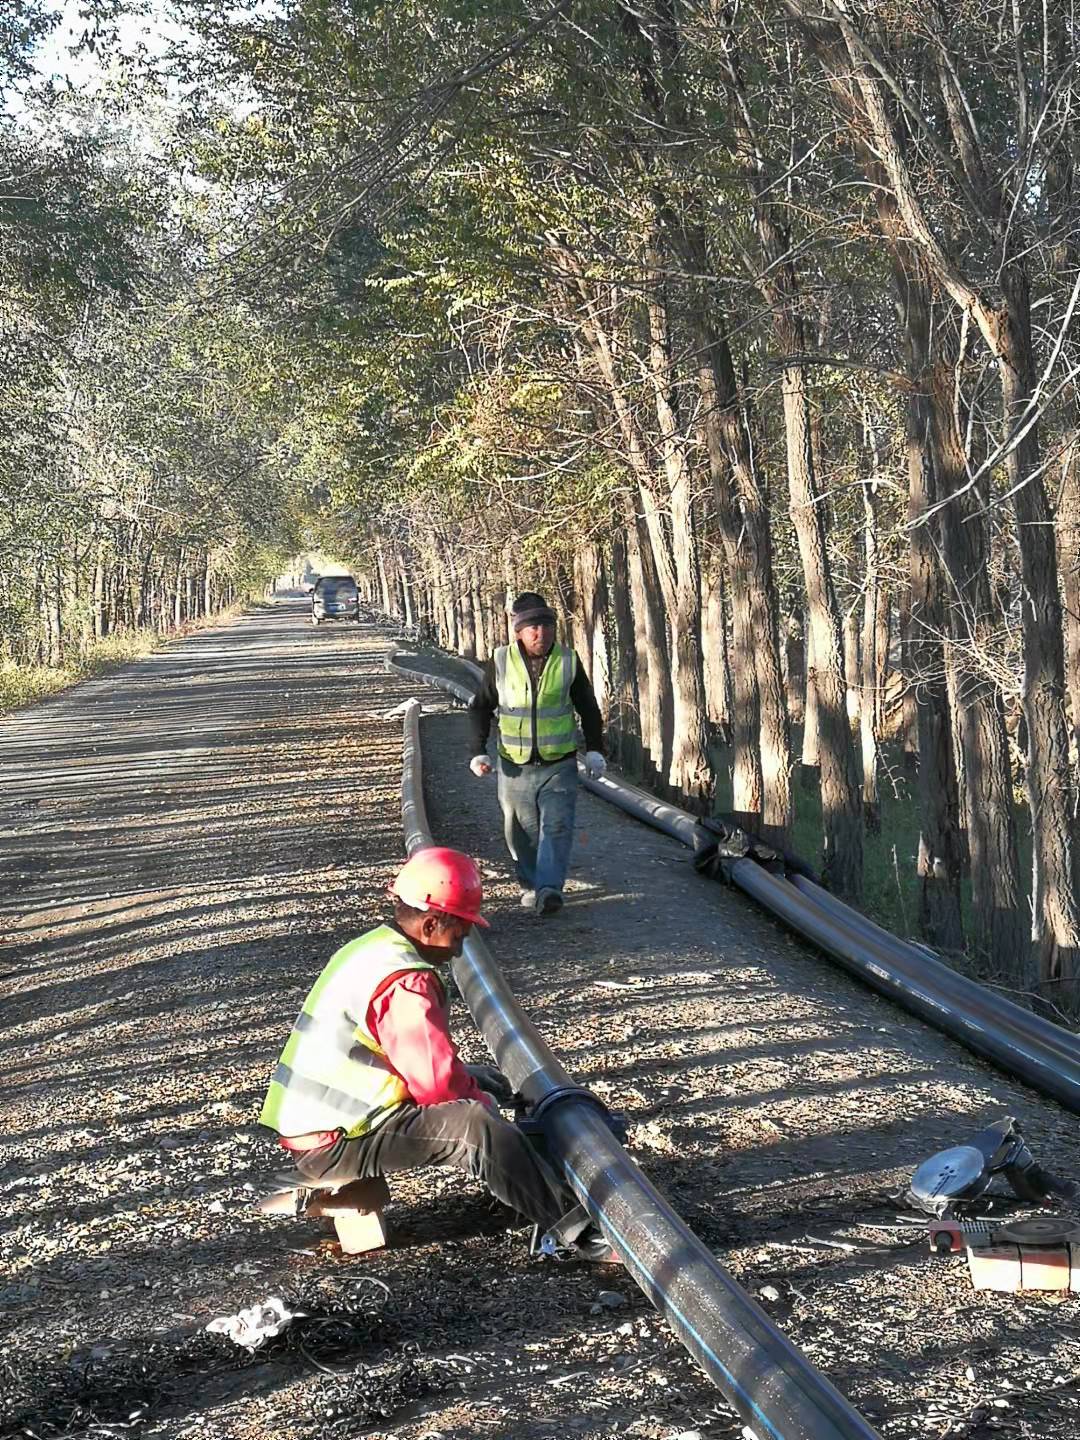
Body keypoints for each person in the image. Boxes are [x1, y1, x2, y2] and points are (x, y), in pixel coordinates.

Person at [258, 846, 611, 1258]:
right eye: (458, 935)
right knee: (470, 1127)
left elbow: (413, 1062)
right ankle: (580, 1232)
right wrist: (487, 1111)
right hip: (335, 1143)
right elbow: (436, 1086)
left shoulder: (374, 948)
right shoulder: (408, 981)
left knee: (481, 1082)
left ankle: (525, 1179)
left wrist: (479, 1084)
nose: (459, 950)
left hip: (325, 1125)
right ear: (430, 924)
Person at [468, 592, 605, 916]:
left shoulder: (568, 661)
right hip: (515, 767)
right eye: (533, 628)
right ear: (518, 631)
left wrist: (596, 750)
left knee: (557, 826)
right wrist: (477, 752)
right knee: (521, 832)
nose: (540, 634)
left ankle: (549, 889)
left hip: (559, 764)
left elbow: (588, 708)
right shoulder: (501, 661)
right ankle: (530, 884)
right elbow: (480, 708)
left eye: (546, 626)